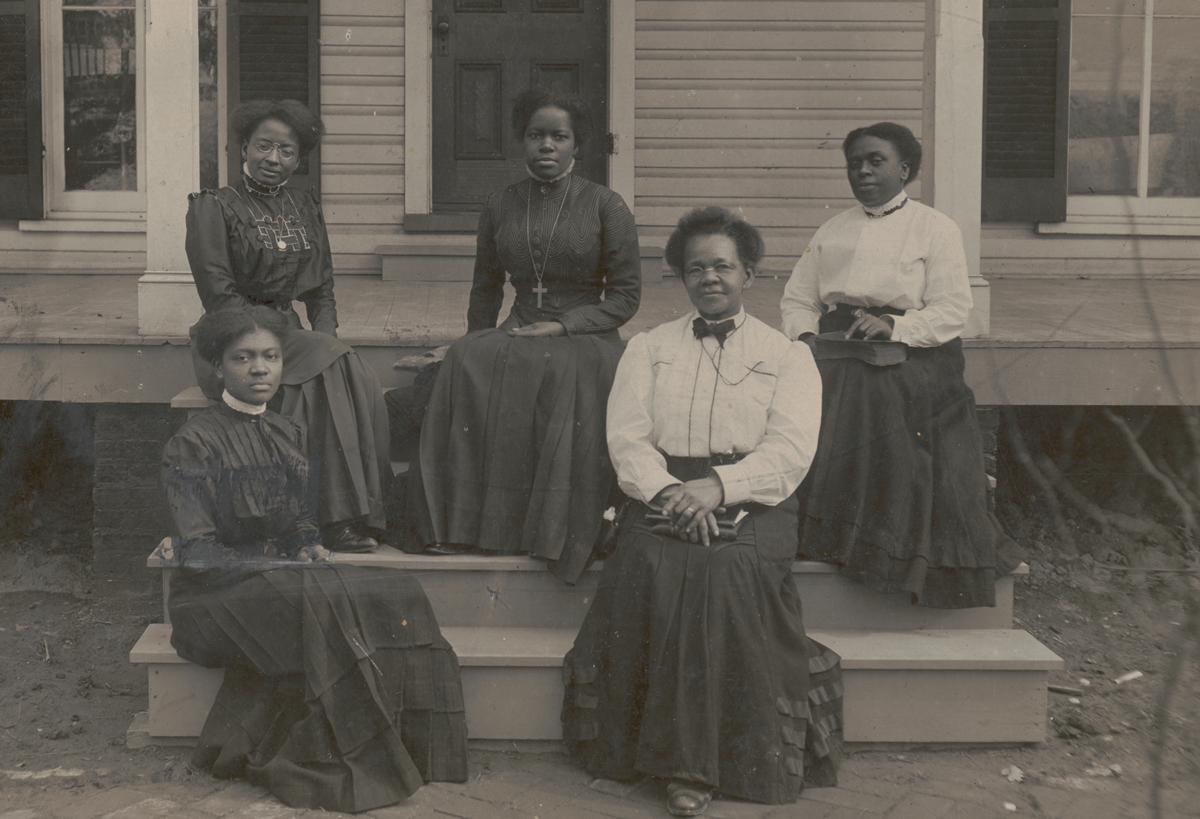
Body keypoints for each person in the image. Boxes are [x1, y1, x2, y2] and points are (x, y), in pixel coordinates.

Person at [562, 208, 842, 817]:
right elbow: (628, 440)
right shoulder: (648, 348)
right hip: (663, 494)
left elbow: (792, 452)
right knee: (650, 563)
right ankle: (644, 751)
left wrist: (718, 488)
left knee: (720, 577)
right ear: (681, 279)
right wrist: (670, 494)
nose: (709, 277)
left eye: (723, 265)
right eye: (696, 268)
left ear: (750, 273)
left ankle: (697, 767)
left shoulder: (788, 355)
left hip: (755, 500)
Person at [161, 306, 468, 813]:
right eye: (243, 358)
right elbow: (197, 552)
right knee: (320, 602)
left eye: (270, 357)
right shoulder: (192, 442)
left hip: (279, 582)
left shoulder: (289, 432)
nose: (259, 369)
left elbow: (299, 520)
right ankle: (355, 760)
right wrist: (278, 563)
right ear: (218, 368)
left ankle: (418, 752)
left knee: (397, 591)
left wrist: (307, 543)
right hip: (212, 597)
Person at [781, 121, 1025, 609]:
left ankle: (885, 549)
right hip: (838, 346)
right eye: (855, 163)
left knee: (879, 395)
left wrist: (896, 327)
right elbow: (798, 298)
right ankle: (826, 539)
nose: (864, 171)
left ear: (905, 169)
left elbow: (954, 309)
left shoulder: (934, 228)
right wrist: (806, 337)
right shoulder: (832, 230)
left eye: (876, 161)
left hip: (914, 351)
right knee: (805, 395)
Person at [403, 89, 642, 584]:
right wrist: (472, 341)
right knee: (469, 359)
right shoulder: (501, 203)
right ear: (522, 141)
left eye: (560, 136)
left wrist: (566, 324)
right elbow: (485, 286)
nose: (547, 146)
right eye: (536, 135)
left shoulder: (606, 205)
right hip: (519, 323)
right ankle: (464, 524)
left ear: (579, 145)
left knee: (561, 370)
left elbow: (625, 298)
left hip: (587, 333)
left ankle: (549, 530)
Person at [185, 99, 388, 553]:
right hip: (229, 338)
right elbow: (219, 296)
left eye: (287, 151)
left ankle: (333, 514)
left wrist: (326, 338)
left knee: (341, 367)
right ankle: (332, 519)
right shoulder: (213, 207)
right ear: (243, 147)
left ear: (300, 159)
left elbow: (322, 290)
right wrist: (298, 344)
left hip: (291, 335)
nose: (274, 160)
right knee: (326, 370)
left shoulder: (303, 205)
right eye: (263, 146)